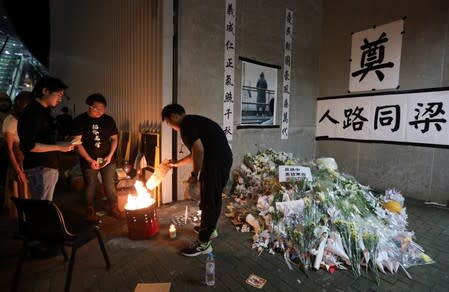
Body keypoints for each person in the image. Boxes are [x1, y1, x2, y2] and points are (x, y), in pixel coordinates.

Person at [161, 104, 233, 257]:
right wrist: (176, 164)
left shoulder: (186, 126)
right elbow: (196, 152)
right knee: (210, 198)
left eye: (167, 122)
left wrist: (194, 175)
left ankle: (204, 243)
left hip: (216, 164)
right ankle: (210, 229)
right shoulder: (193, 122)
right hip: (219, 161)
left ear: (174, 116)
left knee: (210, 201)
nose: (170, 126)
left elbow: (199, 151)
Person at [18, 76, 74, 201]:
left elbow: (42, 140)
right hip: (40, 168)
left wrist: (62, 144)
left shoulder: (42, 111)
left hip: (44, 167)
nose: (60, 99)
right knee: (42, 209)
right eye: (58, 94)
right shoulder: (33, 112)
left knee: (42, 207)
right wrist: (59, 147)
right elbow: (28, 145)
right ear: (45, 91)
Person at [71, 93, 125, 220]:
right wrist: (89, 160)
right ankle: (89, 207)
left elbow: (115, 139)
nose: (100, 112)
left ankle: (114, 207)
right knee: (90, 183)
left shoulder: (108, 120)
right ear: (90, 107)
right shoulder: (79, 121)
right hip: (88, 159)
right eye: (97, 109)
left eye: (103, 109)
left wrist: (110, 156)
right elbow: (76, 143)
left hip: (107, 159)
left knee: (110, 183)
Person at [2, 91, 33, 216]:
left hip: (27, 161)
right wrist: (18, 170)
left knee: (26, 192)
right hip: (18, 162)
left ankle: (26, 219)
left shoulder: (23, 119)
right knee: (20, 193)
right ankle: (21, 221)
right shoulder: (11, 121)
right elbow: (9, 149)